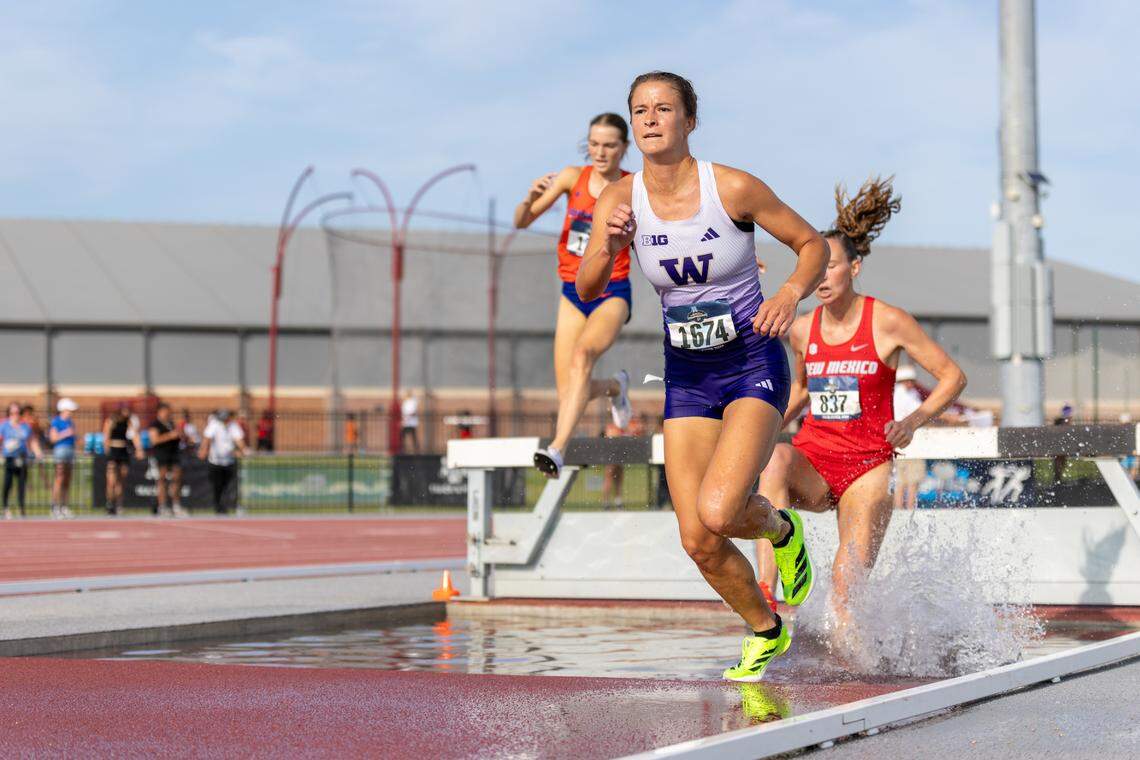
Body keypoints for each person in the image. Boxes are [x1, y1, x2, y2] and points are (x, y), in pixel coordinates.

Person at [577, 71, 829, 681]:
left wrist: (793, 291)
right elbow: (586, 288)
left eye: (665, 108)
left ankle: (778, 526)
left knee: (720, 510)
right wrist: (611, 249)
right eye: (640, 111)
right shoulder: (619, 199)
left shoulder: (733, 186)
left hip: (750, 361)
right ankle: (766, 632)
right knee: (697, 537)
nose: (651, 119)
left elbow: (811, 243)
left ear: (690, 119)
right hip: (687, 373)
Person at [752, 177, 967, 634]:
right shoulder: (802, 329)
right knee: (773, 458)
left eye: (831, 267)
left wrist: (913, 421)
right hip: (815, 457)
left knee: (845, 591)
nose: (822, 278)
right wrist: (764, 427)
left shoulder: (888, 321)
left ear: (855, 268)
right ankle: (769, 588)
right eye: (816, 269)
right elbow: (805, 389)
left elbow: (952, 377)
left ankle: (857, 673)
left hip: (867, 467)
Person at [515, 112, 635, 478]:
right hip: (572, 292)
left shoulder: (635, 186)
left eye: (609, 145)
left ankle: (556, 449)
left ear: (624, 148)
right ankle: (616, 386)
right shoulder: (572, 178)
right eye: (594, 144)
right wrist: (529, 197)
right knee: (569, 391)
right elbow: (522, 220)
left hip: (612, 290)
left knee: (583, 355)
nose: (600, 152)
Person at [892, 364, 926, 510]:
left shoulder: (892, 394)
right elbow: (924, 413)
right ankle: (909, 512)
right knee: (912, 483)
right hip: (913, 445)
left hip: (896, 444)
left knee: (899, 483)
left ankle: (899, 512)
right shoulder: (908, 396)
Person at [200, 409, 247, 514]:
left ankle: (227, 506)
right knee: (217, 485)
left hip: (229, 461)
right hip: (215, 461)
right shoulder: (214, 425)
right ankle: (218, 506)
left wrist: (244, 450)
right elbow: (207, 438)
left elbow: (239, 440)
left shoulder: (233, 426)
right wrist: (204, 450)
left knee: (228, 485)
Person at [1, 402, 42, 518]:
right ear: (9, 414)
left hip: (22, 457)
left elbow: (32, 440)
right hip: (9, 457)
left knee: (21, 484)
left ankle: (21, 508)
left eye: (17, 413)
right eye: (12, 413)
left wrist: (37, 452)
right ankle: (5, 508)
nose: (15, 415)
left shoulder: (25, 426)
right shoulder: (4, 426)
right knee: (7, 484)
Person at [601, 413, 647, 510]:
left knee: (619, 478)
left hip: (619, 455)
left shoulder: (622, 427)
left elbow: (632, 434)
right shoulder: (611, 427)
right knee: (609, 477)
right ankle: (606, 502)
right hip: (611, 456)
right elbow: (612, 438)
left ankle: (618, 500)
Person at [148, 403, 185, 517]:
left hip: (174, 454)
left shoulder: (171, 424)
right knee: (162, 480)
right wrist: (170, 436)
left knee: (177, 479)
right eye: (165, 411)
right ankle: (162, 506)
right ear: (160, 412)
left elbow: (179, 437)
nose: (168, 414)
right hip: (161, 455)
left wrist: (182, 435)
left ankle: (176, 505)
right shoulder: (155, 425)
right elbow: (154, 440)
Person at [49, 398, 79, 519]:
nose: (71, 412)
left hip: (70, 450)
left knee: (67, 480)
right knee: (59, 479)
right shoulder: (56, 421)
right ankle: (55, 507)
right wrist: (66, 433)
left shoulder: (71, 422)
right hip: (60, 450)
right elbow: (53, 438)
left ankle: (64, 507)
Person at [101, 405, 135, 515]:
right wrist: (108, 452)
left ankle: (118, 504)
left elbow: (134, 435)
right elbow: (106, 437)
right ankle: (109, 503)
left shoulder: (128, 422)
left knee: (121, 480)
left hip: (123, 452)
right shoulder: (111, 421)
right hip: (113, 452)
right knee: (111, 481)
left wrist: (138, 448)